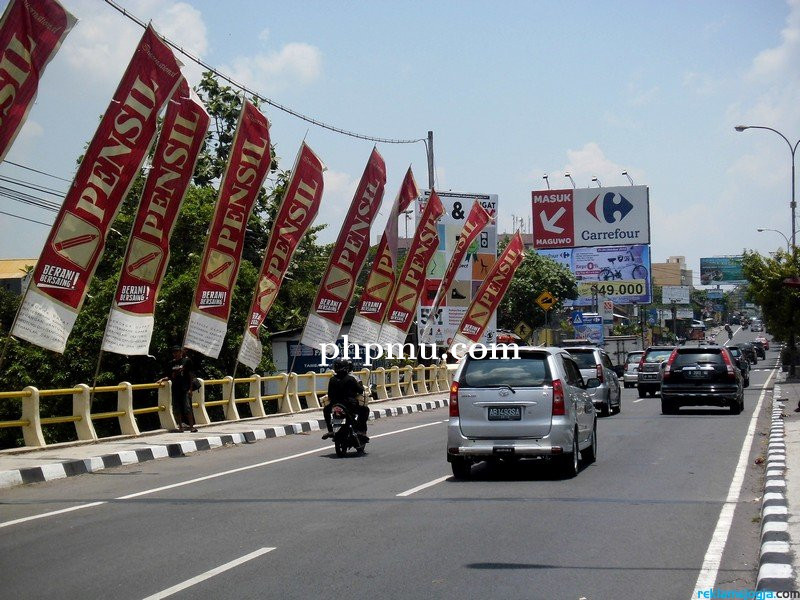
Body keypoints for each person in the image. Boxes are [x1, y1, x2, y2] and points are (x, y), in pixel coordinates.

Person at [322, 358, 370, 440]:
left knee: (326, 410)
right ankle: (361, 431)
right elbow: (360, 390)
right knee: (365, 410)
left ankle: (330, 430)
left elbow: (330, 394)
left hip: (334, 404)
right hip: (349, 404)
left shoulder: (332, 379)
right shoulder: (351, 379)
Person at [158, 346, 198, 433]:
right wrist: (163, 379)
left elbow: (191, 375)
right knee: (177, 408)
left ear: (181, 352)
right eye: (174, 352)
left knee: (187, 407)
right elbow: (169, 375)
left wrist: (190, 389)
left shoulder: (186, 361)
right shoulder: (171, 363)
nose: (175, 354)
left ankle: (191, 427)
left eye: (177, 352)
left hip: (185, 387)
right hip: (176, 388)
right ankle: (180, 427)